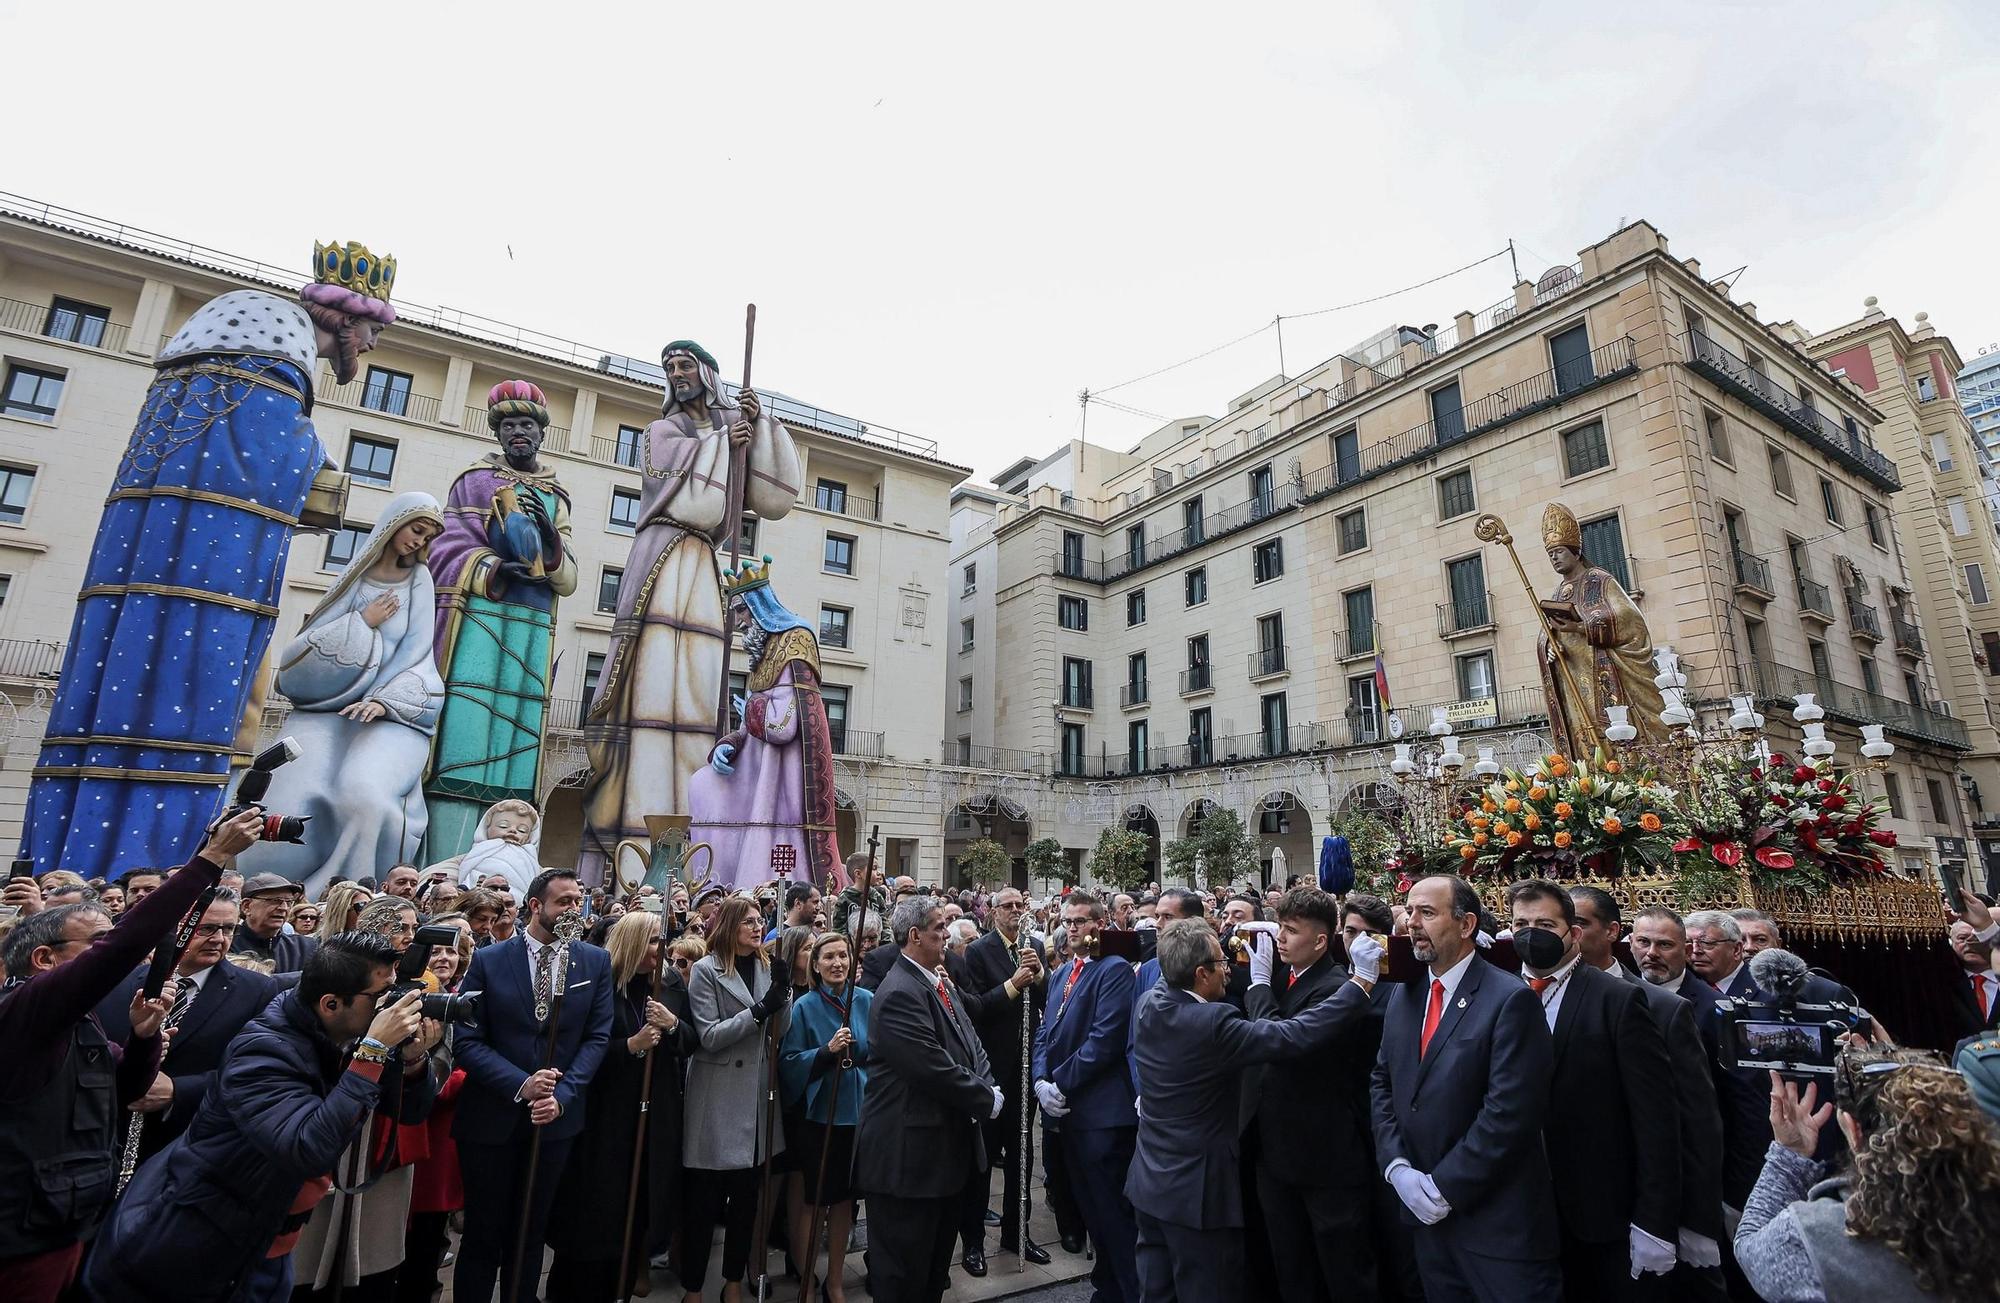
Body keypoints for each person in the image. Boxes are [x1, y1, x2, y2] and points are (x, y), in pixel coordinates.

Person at [25, 242, 393, 877]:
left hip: (183, 556)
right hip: (211, 566)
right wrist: (324, 473)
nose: (372, 346)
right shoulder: (271, 366)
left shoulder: (245, 370)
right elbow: (272, 453)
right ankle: (139, 872)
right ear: (341, 318)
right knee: (190, 689)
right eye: (372, 329)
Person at [85, 930, 432, 1303]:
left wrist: (410, 1061)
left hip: (265, 1240)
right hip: (197, 1244)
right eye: (382, 997)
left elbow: (410, 1111)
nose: (393, 1008)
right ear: (330, 1003)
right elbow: (309, 1148)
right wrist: (373, 1051)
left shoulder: (336, 1033)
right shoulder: (266, 1049)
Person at [0, 810, 261, 1301]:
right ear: (44, 958)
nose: (116, 954)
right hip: (20, 1239)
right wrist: (210, 859)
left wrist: (144, 1040)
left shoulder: (81, 1022)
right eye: (95, 943)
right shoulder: (23, 1011)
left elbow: (127, 1090)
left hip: (66, 1223)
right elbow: (124, 947)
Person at [579, 340, 803, 881]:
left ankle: (694, 851)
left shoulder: (728, 423)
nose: (677, 374)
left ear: (706, 372)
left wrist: (759, 422)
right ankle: (638, 854)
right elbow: (690, 494)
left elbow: (774, 497)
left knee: (701, 694)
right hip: (663, 557)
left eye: (685, 365)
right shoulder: (662, 432)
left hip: (703, 568)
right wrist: (727, 441)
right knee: (655, 688)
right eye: (670, 368)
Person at [1126, 917, 1384, 1303]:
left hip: (1151, 1184)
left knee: (1157, 1293)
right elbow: (1295, 1035)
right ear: (1200, 974)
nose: (1229, 967)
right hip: (1199, 1195)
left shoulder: (1151, 1002)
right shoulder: (1211, 1022)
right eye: (1220, 962)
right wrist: (1360, 982)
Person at [1371, 874, 1560, 1302]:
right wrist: (1396, 1166)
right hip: (1424, 1217)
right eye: (1410, 910)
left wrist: (1443, 1187)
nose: (1411, 923)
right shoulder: (1407, 993)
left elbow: (1509, 1113)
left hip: (1496, 1227)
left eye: (1428, 912)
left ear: (1466, 924)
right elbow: (1384, 1081)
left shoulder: (1509, 998)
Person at [254, 492, 447, 895]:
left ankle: (348, 893)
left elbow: (417, 653)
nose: (417, 541)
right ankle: (275, 885)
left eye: (427, 536)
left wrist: (382, 700)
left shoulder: (420, 582)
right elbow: (306, 650)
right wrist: (363, 621)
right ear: (393, 525)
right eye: (416, 529)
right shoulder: (353, 581)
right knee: (296, 791)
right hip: (326, 712)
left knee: (364, 795)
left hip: (392, 713)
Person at [424, 380, 578, 860]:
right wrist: (489, 565)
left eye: (526, 425)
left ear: (540, 433)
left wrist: (550, 538)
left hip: (534, 622)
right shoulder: (473, 481)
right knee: (469, 723)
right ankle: (444, 859)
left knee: (519, 733)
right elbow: (445, 547)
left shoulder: (557, 494)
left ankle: (510, 851)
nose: (517, 433)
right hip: (483, 613)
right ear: (497, 431)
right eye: (508, 425)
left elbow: (568, 576)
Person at [1507, 878, 1679, 1298]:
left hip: (1597, 1211)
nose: (1532, 934)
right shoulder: (1498, 992)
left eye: (1545, 924)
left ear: (1574, 934)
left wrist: (1655, 1220)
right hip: (1516, 1209)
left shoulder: (1617, 1000)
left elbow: (1655, 1116)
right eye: (1521, 924)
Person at [452, 869, 614, 1303]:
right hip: (491, 1117)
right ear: (535, 906)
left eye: (577, 901)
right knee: (484, 1233)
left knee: (530, 1232)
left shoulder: (593, 962)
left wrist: (562, 1096)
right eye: (562, 901)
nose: (572, 910)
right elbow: (466, 1040)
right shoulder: (490, 960)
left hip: (556, 1122)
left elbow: (597, 1036)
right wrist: (521, 1084)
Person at [1736, 1047, 2000, 1302]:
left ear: (1853, 1129)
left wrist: (1789, 1155)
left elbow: (1749, 1248)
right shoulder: (1986, 1213)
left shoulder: (1816, 1236)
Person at [1571, 888, 1728, 1301]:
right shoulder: (1531, 999)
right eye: (1644, 942)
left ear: (1610, 932)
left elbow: (1696, 1119)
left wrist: (1696, 1219)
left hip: (1644, 1208)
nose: (1652, 952)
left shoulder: (1660, 1007)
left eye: (1581, 923)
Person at [291, 896, 444, 1300]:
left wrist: (414, 1061)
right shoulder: (327, 988)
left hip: (382, 1151)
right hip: (323, 1151)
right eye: (399, 929)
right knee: (304, 1272)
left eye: (414, 929)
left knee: (373, 1270)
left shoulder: (415, 993)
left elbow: (416, 1105)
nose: (409, 940)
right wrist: (374, 1044)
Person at [1241, 886, 1384, 1303]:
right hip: (1277, 1153)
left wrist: (1258, 987)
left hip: (1323, 1157)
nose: (1280, 939)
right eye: (1279, 928)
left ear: (1321, 941)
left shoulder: (1335, 987)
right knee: (1292, 1266)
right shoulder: (1290, 976)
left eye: (1290, 931)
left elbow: (1278, 1041)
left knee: (1344, 1271)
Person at [856, 897, 1002, 1303]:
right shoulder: (900, 990)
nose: (947, 934)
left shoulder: (936, 978)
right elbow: (931, 1066)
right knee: (904, 1277)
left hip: (940, 1158)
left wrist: (987, 1083)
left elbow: (971, 1041)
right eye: (939, 927)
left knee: (932, 1275)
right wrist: (985, 1097)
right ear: (915, 935)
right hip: (908, 1163)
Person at [545, 909, 693, 1303]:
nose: (661, 949)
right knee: (595, 1215)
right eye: (653, 941)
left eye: (662, 940)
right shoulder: (599, 987)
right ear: (631, 944)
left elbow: (691, 1040)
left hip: (654, 1112)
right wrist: (629, 1046)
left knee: (638, 1209)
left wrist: (673, 1025)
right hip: (605, 1119)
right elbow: (575, 1053)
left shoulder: (668, 986)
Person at [94, 887, 286, 1164]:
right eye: (206, 928)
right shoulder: (119, 982)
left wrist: (178, 1091)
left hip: (191, 1150)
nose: (219, 939)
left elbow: (260, 1069)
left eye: (229, 928)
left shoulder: (258, 990)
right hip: (108, 1146)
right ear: (175, 927)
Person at [690, 562, 843, 888]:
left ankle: (764, 881)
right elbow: (752, 720)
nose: (740, 621)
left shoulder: (795, 643)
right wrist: (730, 743)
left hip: (781, 778)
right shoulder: (762, 653)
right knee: (702, 785)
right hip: (754, 763)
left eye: (743, 611)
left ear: (761, 607)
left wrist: (752, 711)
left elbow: (784, 725)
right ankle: (714, 881)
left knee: (769, 837)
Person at [683, 895, 792, 1302]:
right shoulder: (705, 971)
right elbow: (709, 1036)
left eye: (760, 920)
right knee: (704, 1204)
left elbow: (782, 1030)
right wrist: (762, 1009)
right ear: (729, 925)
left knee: (746, 1204)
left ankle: (732, 1282)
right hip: (717, 1099)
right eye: (749, 921)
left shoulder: (766, 966)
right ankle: (693, 1288)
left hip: (755, 1100)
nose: (757, 926)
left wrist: (786, 992)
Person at [1033, 890, 1140, 1303]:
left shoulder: (1113, 971)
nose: (1072, 928)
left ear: (1099, 923)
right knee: (1091, 1212)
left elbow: (1105, 1040)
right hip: (1070, 1116)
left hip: (1103, 1117)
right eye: (1067, 921)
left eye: (1080, 921)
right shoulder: (1062, 972)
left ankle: (1131, 1291)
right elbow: (1045, 1031)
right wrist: (1041, 1079)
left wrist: (1060, 1082)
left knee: (1114, 1216)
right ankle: (1106, 1286)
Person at [952, 885, 1050, 1271]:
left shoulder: (1034, 947)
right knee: (983, 1158)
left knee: (1022, 1155)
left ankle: (1016, 1231)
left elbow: (1044, 1001)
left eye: (1018, 905)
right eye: (1006, 905)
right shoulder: (978, 952)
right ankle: (973, 1240)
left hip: (1025, 1070)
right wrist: (1014, 984)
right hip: (992, 1069)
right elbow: (978, 1008)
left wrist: (1039, 976)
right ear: (993, 912)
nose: (1014, 910)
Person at [780, 931, 872, 1303]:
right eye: (829, 957)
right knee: (814, 1200)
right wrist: (824, 1051)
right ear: (815, 965)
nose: (837, 963)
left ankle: (836, 1278)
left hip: (858, 1112)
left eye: (843, 956)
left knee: (845, 1202)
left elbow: (881, 1052)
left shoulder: (865, 1000)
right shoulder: (803, 1006)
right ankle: (806, 1277)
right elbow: (788, 1062)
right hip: (820, 1116)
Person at [1341, 894, 1423, 1303]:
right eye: (1350, 931)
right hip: (1345, 1122)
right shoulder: (1338, 981)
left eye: (1368, 934)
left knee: (1397, 1234)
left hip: (1385, 1122)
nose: (1357, 942)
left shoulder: (1398, 985)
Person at [399, 916, 474, 1303]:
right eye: (436, 950)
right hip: (398, 1132)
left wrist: (457, 1079)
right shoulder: (402, 998)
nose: (444, 957)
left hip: (438, 1144)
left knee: (426, 1244)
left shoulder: (463, 1003)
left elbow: (462, 1068)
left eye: (452, 951)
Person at [451, 799, 545, 897]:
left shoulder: (530, 858)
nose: (512, 830)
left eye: (522, 830)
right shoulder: (474, 854)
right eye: (503, 826)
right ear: (486, 828)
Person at [234, 873, 318, 973]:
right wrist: (300, 977)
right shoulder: (227, 946)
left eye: (289, 902)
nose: (284, 908)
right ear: (246, 906)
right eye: (275, 900)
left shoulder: (305, 947)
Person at [1948, 915, 1999, 1037]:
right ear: (1951, 942)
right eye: (1962, 938)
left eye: (1978, 938)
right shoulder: (1945, 983)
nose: (1970, 943)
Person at [831, 851, 885, 935]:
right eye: (874, 868)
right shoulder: (845, 897)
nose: (878, 873)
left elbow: (884, 924)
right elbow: (839, 929)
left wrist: (885, 944)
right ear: (858, 874)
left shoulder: (877, 896)